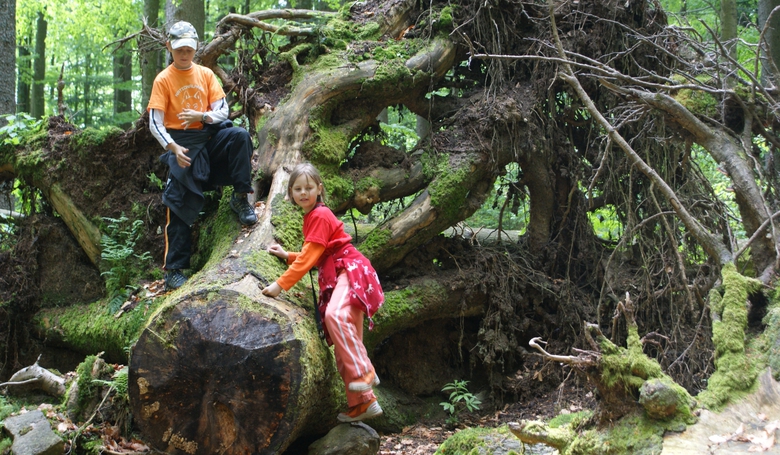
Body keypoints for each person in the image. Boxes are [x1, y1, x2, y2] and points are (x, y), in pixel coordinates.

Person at [261, 163, 385, 422]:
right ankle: (363, 403)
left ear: (320, 189)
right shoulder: (312, 217)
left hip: (350, 271)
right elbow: (315, 255)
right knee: (344, 344)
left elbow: (310, 258)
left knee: (336, 316)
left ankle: (365, 374)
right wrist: (288, 256)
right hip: (340, 272)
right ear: (291, 193)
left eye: (309, 187)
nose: (303, 193)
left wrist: (279, 285)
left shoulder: (319, 214)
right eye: (297, 188)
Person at [148, 21, 258, 291]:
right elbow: (155, 122)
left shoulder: (206, 75)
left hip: (207, 136)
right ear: (169, 48)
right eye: (179, 49)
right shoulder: (163, 79)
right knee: (177, 201)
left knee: (240, 136)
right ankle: (174, 270)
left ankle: (241, 197)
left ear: (196, 47)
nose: (184, 54)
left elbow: (222, 110)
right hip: (181, 145)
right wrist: (172, 148)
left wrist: (202, 116)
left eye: (188, 49)